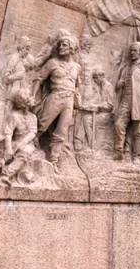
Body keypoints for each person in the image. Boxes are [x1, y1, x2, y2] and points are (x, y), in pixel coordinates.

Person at [34, 31, 82, 168]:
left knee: (61, 131)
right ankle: (29, 146)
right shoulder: (52, 63)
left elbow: (77, 84)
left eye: (64, 45)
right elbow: (39, 79)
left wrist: (77, 101)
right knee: (41, 124)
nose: (61, 47)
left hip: (69, 100)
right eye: (60, 45)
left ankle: (53, 160)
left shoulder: (77, 67)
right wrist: (32, 96)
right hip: (55, 96)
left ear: (71, 49)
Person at [77, 66, 114, 151]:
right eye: (93, 78)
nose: (95, 80)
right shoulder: (99, 86)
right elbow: (97, 99)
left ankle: (91, 144)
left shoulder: (108, 87)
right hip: (99, 113)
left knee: (87, 119)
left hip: (106, 115)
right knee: (83, 115)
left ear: (102, 76)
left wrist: (97, 106)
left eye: (96, 78)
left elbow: (110, 105)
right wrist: (90, 104)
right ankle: (79, 141)